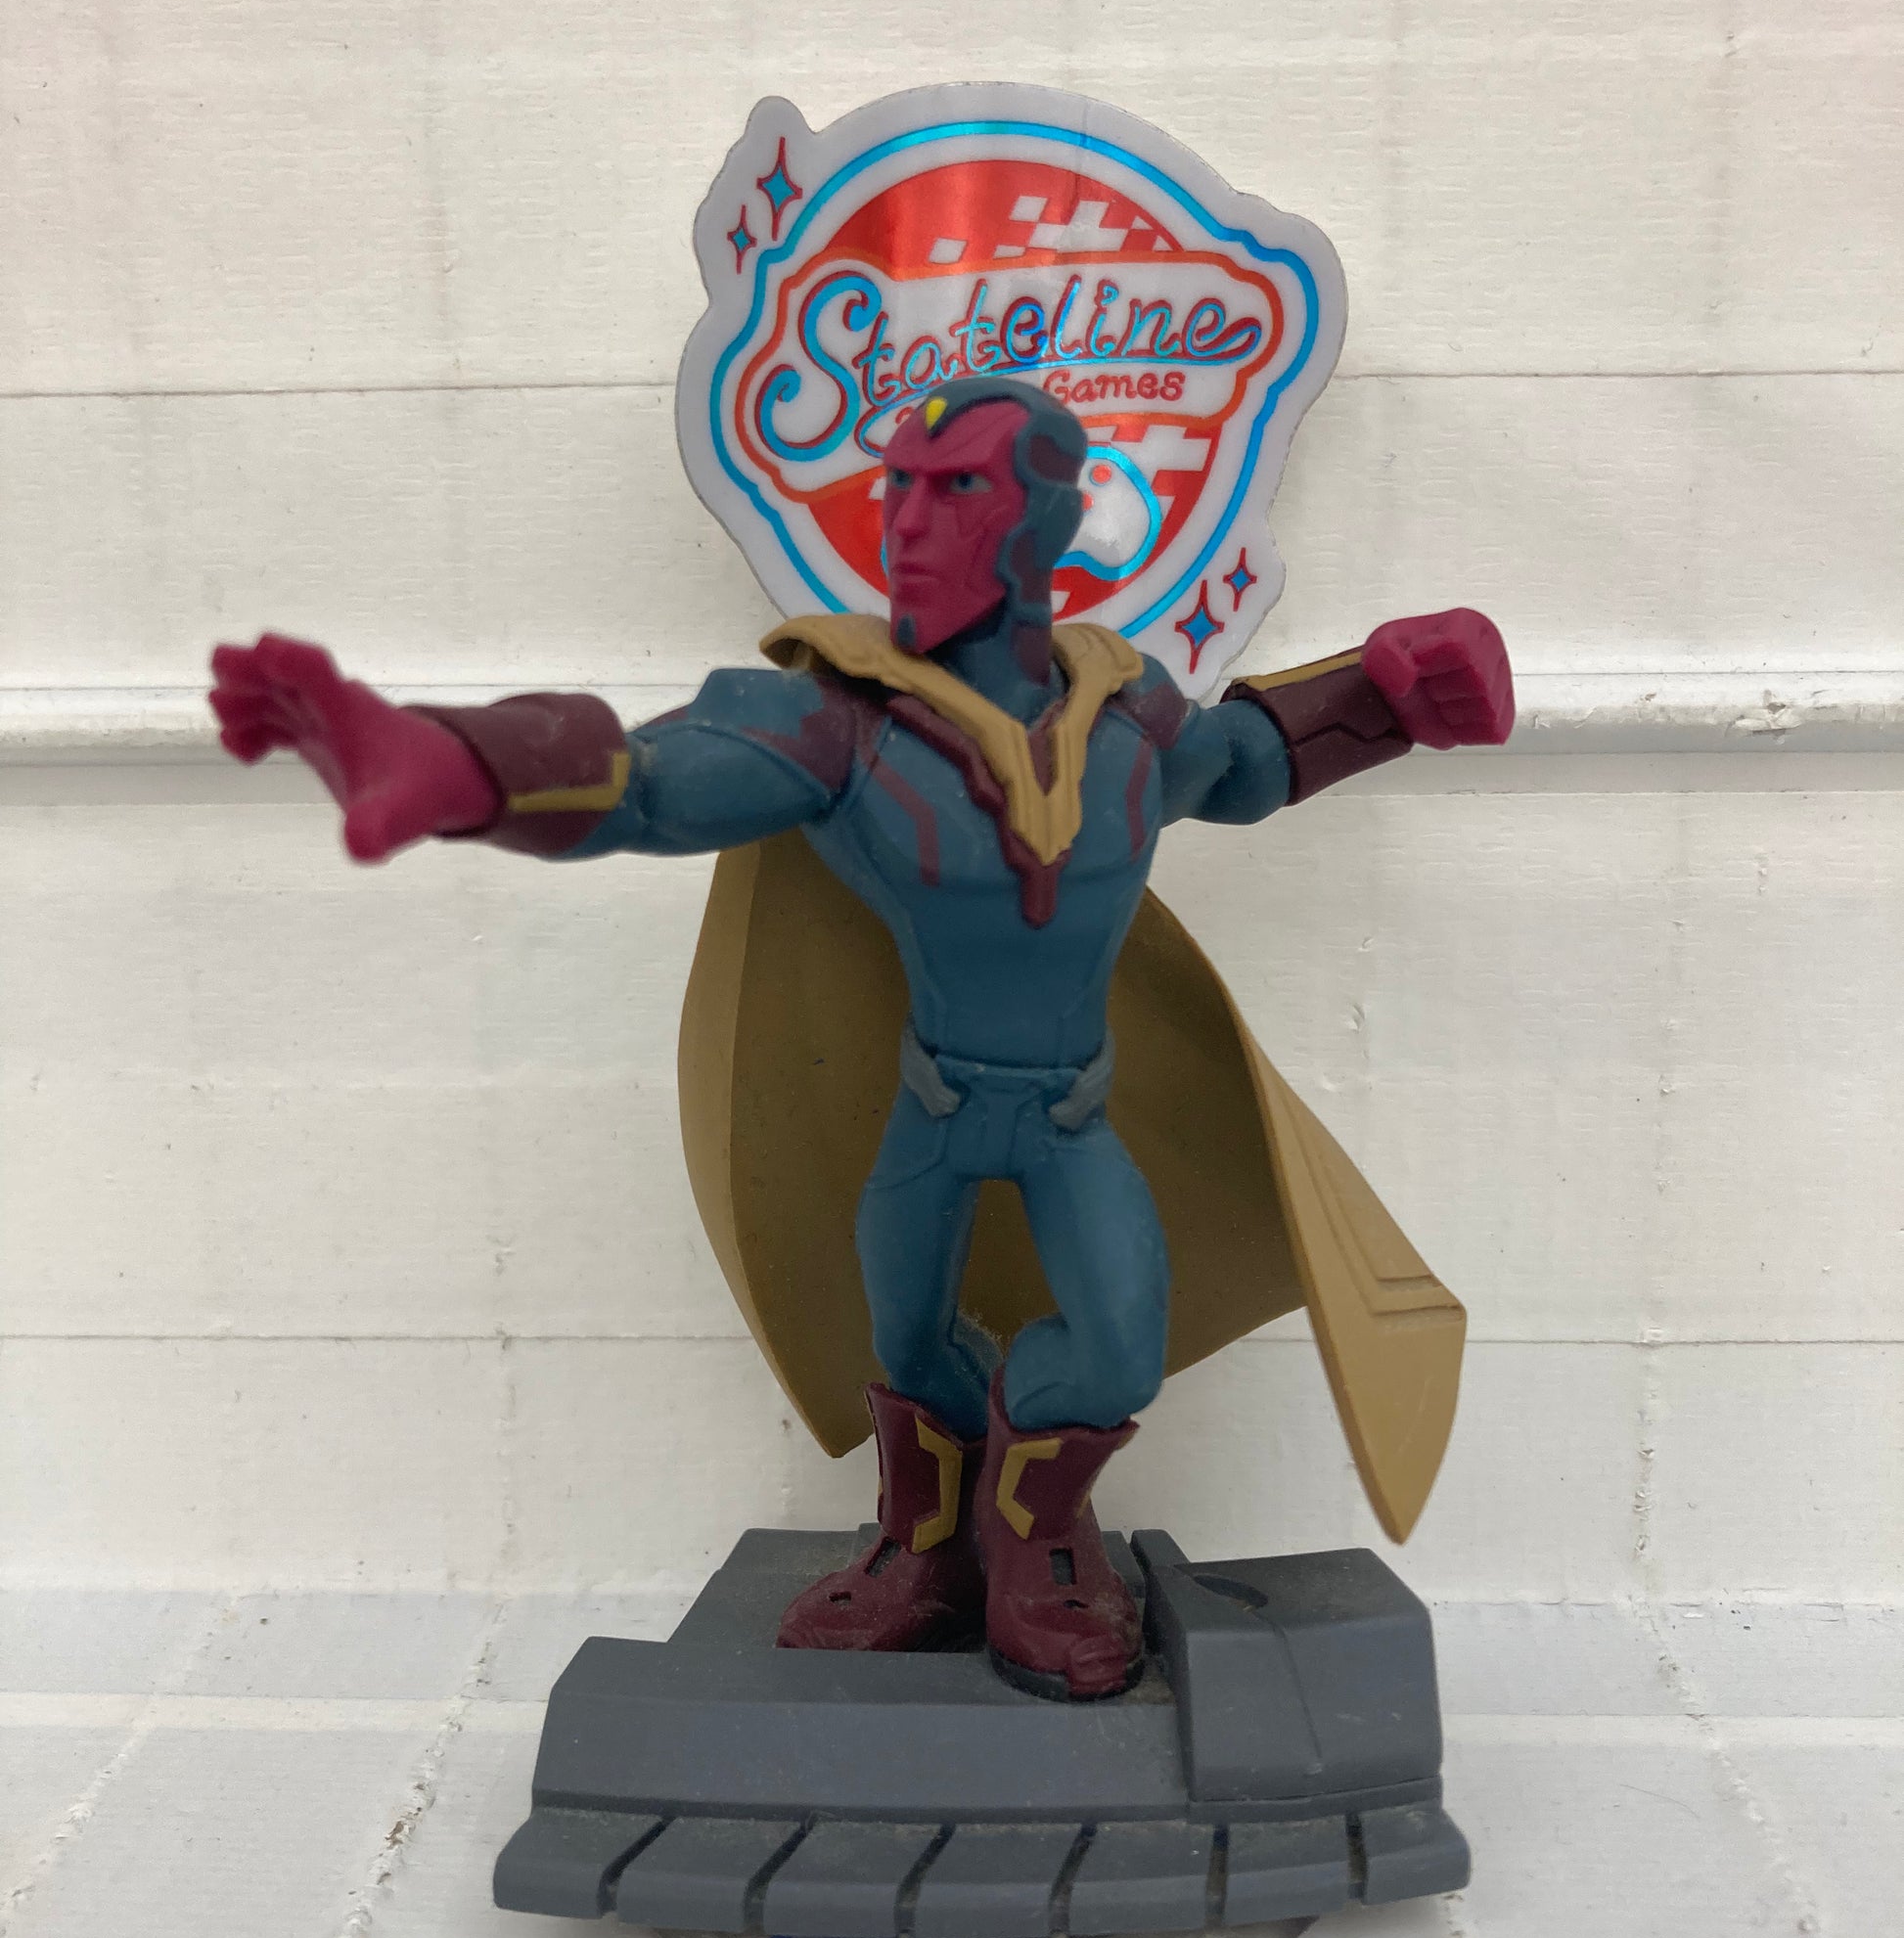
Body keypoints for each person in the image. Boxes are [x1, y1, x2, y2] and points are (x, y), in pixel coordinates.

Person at [209, 375, 1513, 1701]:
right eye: (901, 486)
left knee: (1120, 1345)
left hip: (1071, 1118)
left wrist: (1393, 694)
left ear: (1046, 519)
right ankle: (923, 1544)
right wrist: (451, 761)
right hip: (932, 1113)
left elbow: (1240, 760)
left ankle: (1037, 1534)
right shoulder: (840, 719)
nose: (909, 522)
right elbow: (652, 784)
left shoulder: (1124, 720)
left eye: (959, 488)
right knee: (903, 1346)